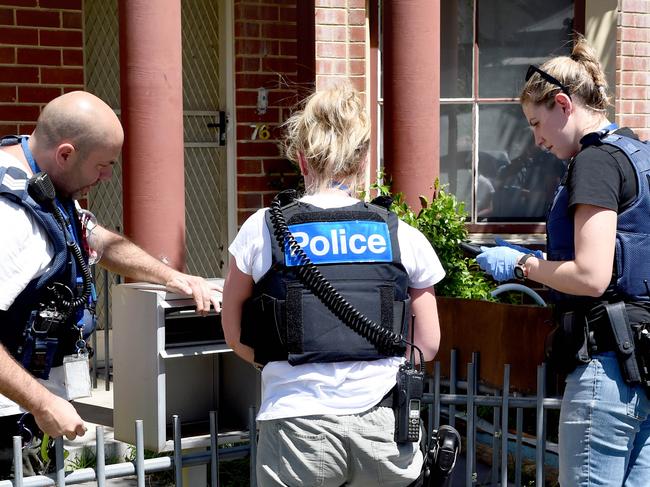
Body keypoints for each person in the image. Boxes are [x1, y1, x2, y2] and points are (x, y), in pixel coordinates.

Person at [221, 83, 445, 486]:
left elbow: (234, 332)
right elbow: (426, 344)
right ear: (362, 161)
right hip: (383, 428)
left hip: (295, 426)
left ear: (302, 160)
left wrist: (279, 360)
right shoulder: (401, 235)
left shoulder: (263, 228)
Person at [0, 91, 221, 477]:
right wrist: (42, 403)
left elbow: (92, 237)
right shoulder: (11, 222)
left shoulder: (41, 180)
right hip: (9, 418)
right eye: (102, 165)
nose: (106, 177)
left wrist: (171, 276)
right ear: (66, 154)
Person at [476, 35, 650, 485]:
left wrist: (522, 267)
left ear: (563, 104)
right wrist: (538, 258)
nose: (536, 140)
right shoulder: (638, 155)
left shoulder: (594, 162)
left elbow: (592, 276)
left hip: (605, 369)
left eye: (537, 123)